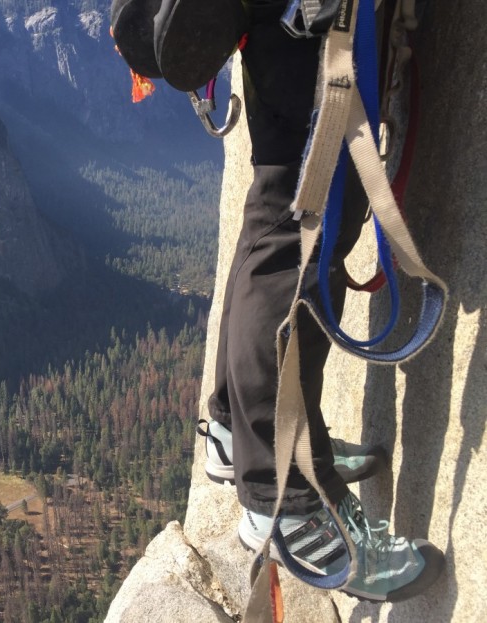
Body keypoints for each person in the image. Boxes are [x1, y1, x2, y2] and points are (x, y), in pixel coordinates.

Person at [199, 0, 445, 602]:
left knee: (281, 208)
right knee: (302, 232)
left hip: (290, 25)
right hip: (316, 22)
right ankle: (286, 500)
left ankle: (240, 432)